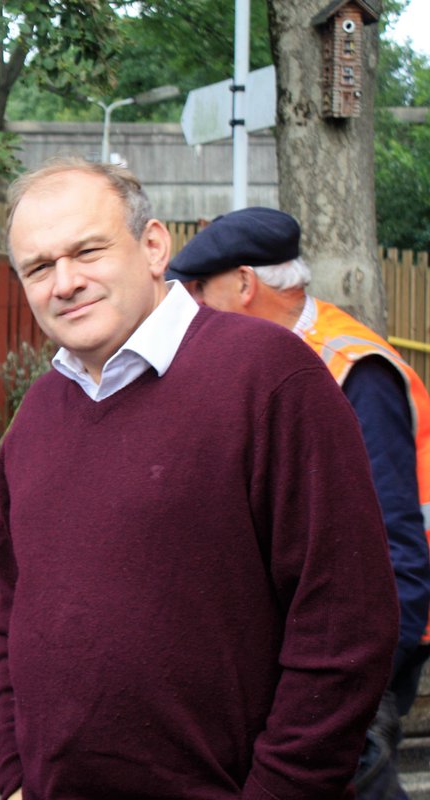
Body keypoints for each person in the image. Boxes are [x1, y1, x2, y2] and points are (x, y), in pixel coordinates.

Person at [0, 158, 398, 800]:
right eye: (39, 267)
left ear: (153, 246)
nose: (64, 283)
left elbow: (347, 619)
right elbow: (15, 614)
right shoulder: (37, 415)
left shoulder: (267, 375)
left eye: (88, 251)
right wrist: (16, 772)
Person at [166, 206, 430, 799]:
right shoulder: (268, 359)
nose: (192, 307)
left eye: (200, 290)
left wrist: (363, 680)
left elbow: (398, 553)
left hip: (365, 645)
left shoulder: (351, 369)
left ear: (243, 283)